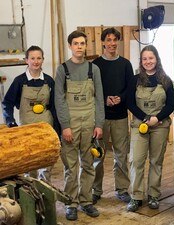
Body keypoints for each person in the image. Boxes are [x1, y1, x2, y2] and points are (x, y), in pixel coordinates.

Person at [55, 30, 105, 221]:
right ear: (70, 46)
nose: (79, 47)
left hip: (89, 122)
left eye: (82, 43)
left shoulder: (94, 69)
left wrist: (99, 124)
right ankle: (71, 203)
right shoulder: (62, 69)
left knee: (88, 164)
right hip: (71, 122)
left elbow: (99, 98)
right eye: (75, 43)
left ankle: (86, 202)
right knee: (70, 167)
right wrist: (65, 126)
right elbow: (59, 99)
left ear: (86, 46)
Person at [126, 45, 174, 212]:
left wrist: (157, 118)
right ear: (141, 61)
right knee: (136, 160)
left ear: (157, 59)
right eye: (144, 59)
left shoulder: (166, 80)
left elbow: (171, 104)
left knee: (156, 161)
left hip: (160, 126)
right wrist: (146, 118)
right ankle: (135, 197)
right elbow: (129, 102)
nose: (148, 62)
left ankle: (153, 195)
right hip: (140, 124)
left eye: (151, 58)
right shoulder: (135, 80)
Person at [2, 45, 59, 181]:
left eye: (39, 58)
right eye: (32, 58)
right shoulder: (19, 81)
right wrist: (10, 121)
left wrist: (57, 128)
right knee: (30, 166)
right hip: (27, 129)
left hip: (46, 127)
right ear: (26, 60)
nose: (36, 61)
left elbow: (55, 106)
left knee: (46, 165)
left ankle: (45, 196)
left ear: (43, 60)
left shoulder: (49, 80)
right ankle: (32, 197)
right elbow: (7, 103)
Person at [92, 27, 134, 204]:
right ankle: (95, 190)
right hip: (100, 119)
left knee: (121, 155)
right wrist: (104, 100)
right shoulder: (95, 65)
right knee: (97, 155)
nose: (112, 43)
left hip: (120, 117)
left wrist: (120, 98)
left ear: (118, 42)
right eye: (108, 40)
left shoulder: (125, 64)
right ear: (103, 42)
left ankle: (122, 189)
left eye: (114, 40)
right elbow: (91, 91)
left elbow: (130, 88)